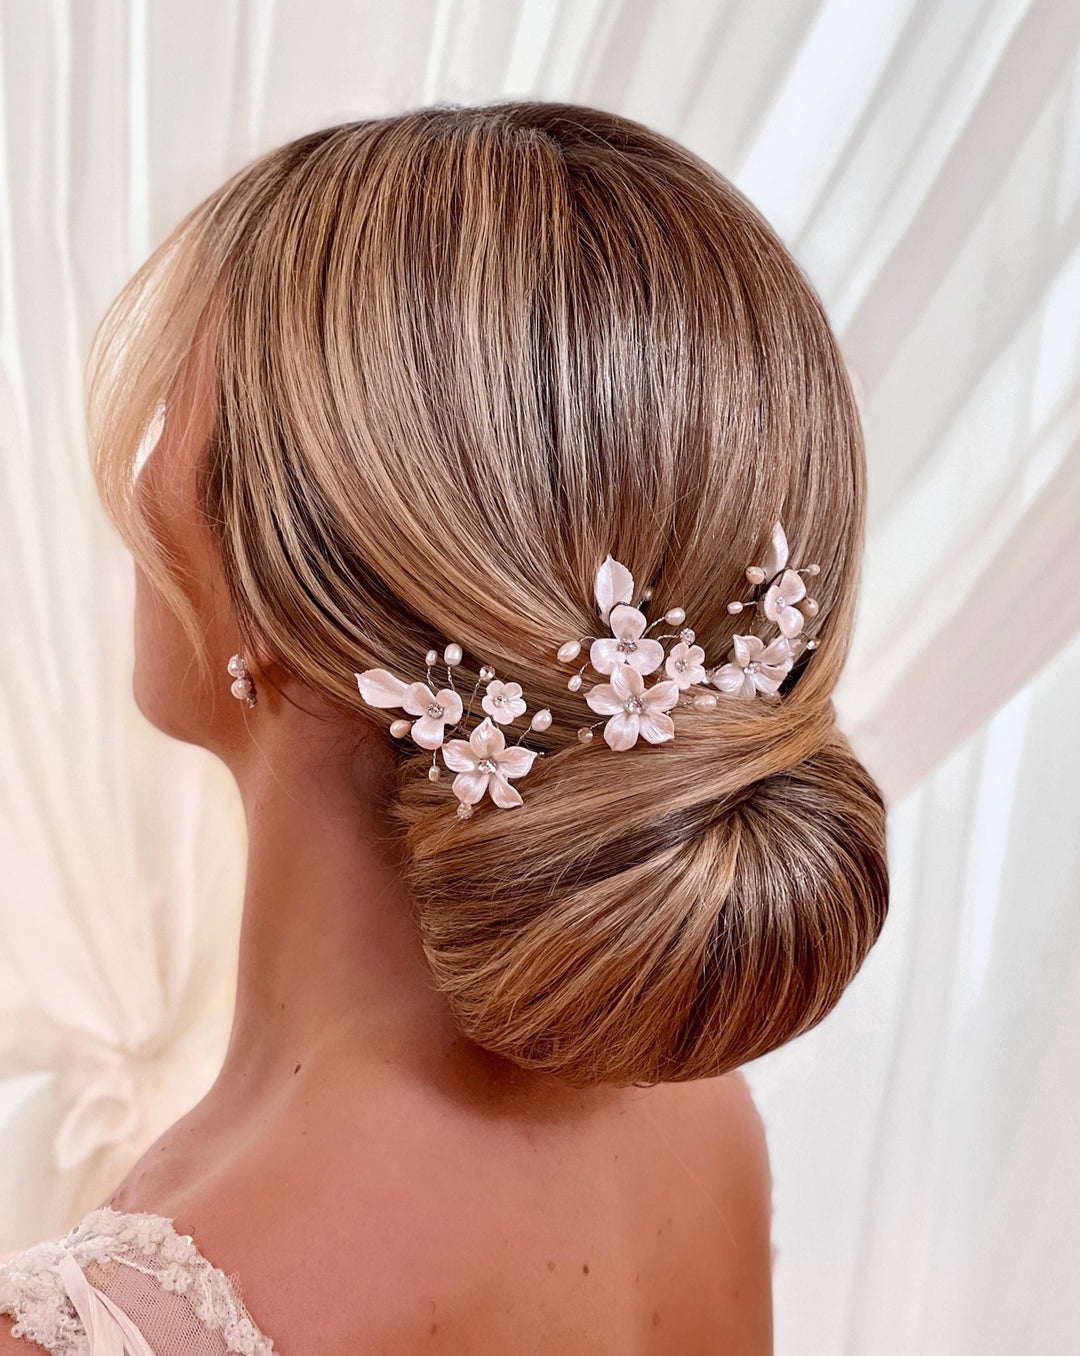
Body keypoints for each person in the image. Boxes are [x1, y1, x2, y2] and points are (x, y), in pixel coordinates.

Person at [0, 99, 888, 1354]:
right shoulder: (691, 1118)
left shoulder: (126, 1328)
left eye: (176, 410)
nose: (141, 480)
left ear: (286, 584)